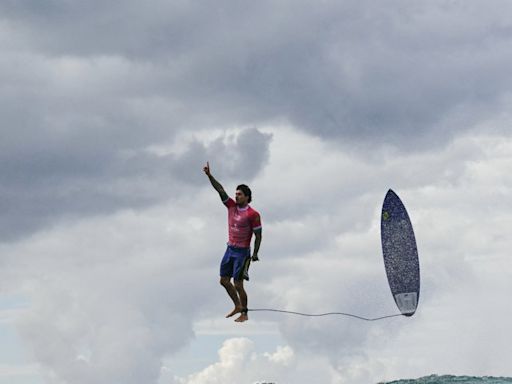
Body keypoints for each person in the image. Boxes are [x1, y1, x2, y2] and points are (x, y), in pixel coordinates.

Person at [203, 161, 262, 323]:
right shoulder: (231, 206)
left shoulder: (253, 214)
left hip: (243, 253)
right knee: (223, 281)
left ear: (247, 197)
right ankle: (237, 306)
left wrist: (255, 253)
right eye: (236, 194)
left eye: (240, 194)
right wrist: (210, 176)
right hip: (230, 249)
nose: (236, 196)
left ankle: (244, 312)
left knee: (238, 284)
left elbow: (258, 235)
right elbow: (220, 190)